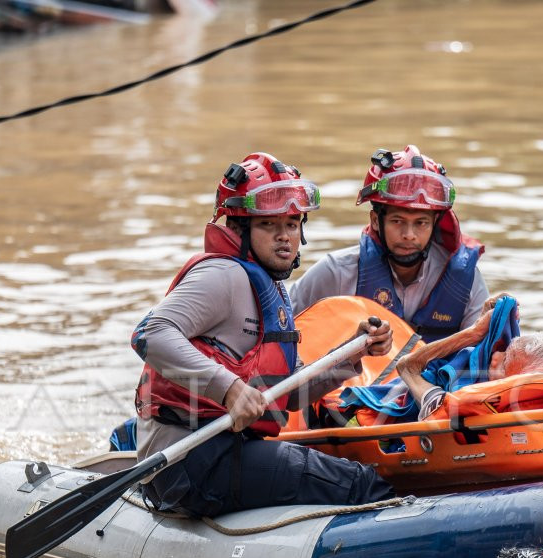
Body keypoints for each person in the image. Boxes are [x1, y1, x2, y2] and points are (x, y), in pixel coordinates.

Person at [130, 152, 395, 518]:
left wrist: (353, 352)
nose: (285, 237)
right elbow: (150, 334)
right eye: (270, 225)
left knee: (353, 475)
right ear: (238, 229)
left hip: (222, 451)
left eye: (292, 224)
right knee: (362, 485)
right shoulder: (222, 276)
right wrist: (230, 388)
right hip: (191, 460)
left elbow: (290, 394)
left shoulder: (271, 289)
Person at [289, 145, 489, 342]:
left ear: (434, 223)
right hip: (356, 373)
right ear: (376, 220)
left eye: (421, 223)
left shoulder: (467, 281)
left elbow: (482, 357)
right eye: (397, 221)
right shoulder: (336, 273)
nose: (409, 235)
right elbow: (284, 328)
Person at [397, 300, 543, 421]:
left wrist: (474, 332)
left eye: (505, 359)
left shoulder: (470, 405)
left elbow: (406, 365)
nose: (495, 357)